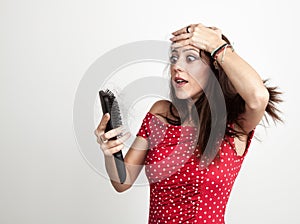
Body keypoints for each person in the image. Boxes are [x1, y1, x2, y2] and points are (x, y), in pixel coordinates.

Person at [94, 23, 282, 224]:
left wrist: (216, 45)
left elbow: (259, 96)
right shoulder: (160, 113)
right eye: (174, 58)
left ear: (215, 66)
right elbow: (123, 181)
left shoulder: (234, 123)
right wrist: (110, 152)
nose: (177, 66)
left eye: (190, 58)